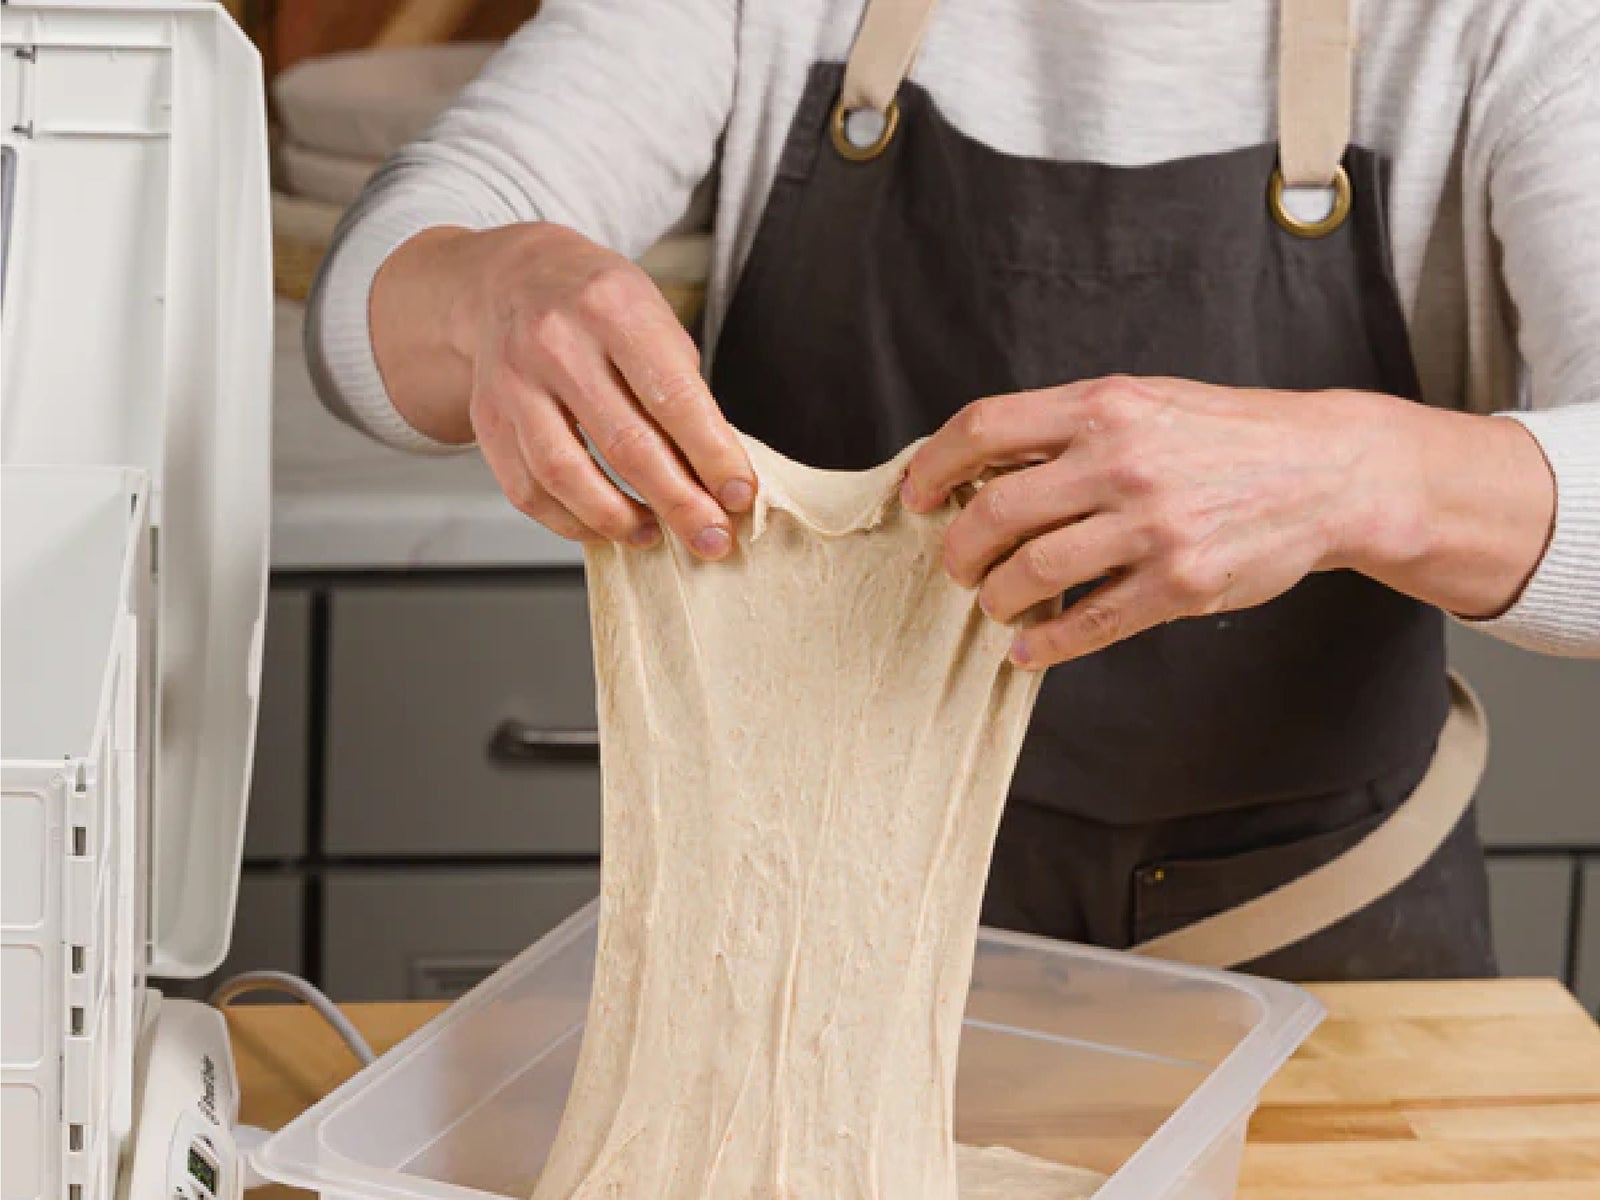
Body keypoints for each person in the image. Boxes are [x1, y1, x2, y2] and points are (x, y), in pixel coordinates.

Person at [306, 0, 1600, 981]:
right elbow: (374, 301)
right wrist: (490, 289)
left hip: (1334, 961)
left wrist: (1357, 474)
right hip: (814, 954)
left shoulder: (1505, 22)